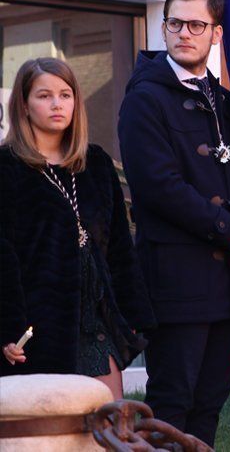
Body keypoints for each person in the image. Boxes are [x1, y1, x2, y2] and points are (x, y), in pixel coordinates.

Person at [118, 0, 230, 446]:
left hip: (227, 285)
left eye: (197, 24)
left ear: (216, 32)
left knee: (210, 402)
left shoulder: (228, 102)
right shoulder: (144, 97)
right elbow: (158, 188)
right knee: (172, 403)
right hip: (177, 277)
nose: (184, 33)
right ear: (164, 26)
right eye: (175, 23)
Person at [1, 58, 155, 399]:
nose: (57, 104)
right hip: (38, 329)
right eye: (44, 95)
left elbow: (118, 247)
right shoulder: (6, 168)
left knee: (107, 428)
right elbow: (2, 257)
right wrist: (9, 330)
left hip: (95, 322)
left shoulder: (95, 163)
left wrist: (136, 315)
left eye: (65, 94)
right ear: (24, 105)